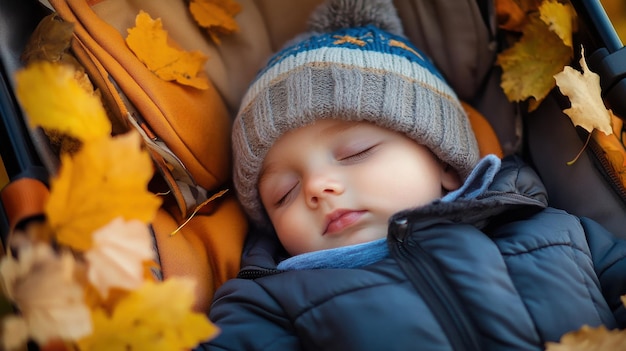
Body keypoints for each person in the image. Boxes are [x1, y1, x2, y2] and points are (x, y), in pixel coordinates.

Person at [198, 0, 626, 350]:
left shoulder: (553, 230)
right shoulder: (268, 303)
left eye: (356, 152)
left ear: (444, 164)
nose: (316, 187)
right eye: (283, 193)